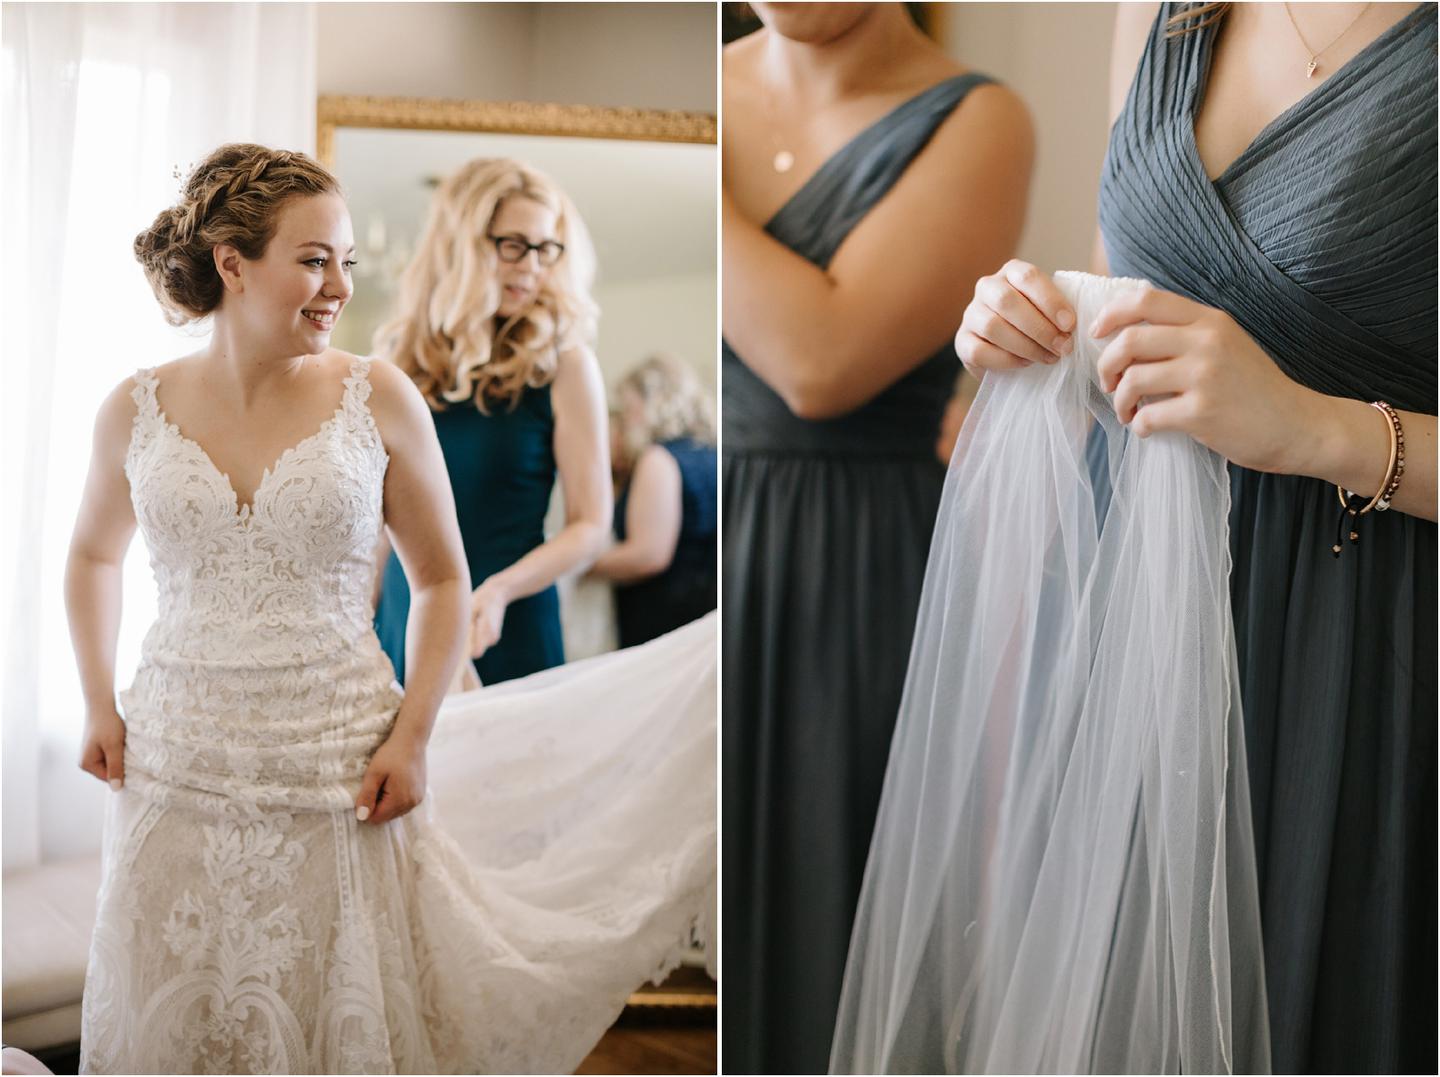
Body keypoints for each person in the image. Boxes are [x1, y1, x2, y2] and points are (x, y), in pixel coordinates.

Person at [845, 3, 1435, 1072]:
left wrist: (1317, 428)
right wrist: (1030, 328)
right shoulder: (1163, 11)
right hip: (1145, 648)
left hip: (1380, 655)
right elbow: (1128, 303)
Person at [65, 143, 714, 1075]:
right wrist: (97, 700)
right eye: (315, 258)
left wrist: (412, 736)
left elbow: (443, 578)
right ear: (233, 263)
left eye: (348, 262)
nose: (337, 284)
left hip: (335, 752)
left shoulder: (377, 394)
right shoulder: (133, 408)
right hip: (175, 754)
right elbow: (92, 554)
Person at [720, 3, 1034, 1070]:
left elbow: (820, 363)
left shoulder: (980, 119)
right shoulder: (702, 80)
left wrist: (689, 179)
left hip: (857, 569)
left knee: (833, 912)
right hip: (714, 548)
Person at [372, 158, 610, 686]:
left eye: (546, 248)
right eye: (513, 245)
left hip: (507, 619)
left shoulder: (564, 366)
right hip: (403, 613)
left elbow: (591, 525)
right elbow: (380, 522)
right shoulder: (400, 363)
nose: (531, 266)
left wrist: (502, 589)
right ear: (463, 246)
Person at [589, 354, 717, 648]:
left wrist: (580, 564)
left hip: (662, 617)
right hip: (700, 611)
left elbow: (648, 555)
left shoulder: (658, 459)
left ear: (655, 404)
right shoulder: (708, 453)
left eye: (630, 409)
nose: (626, 421)